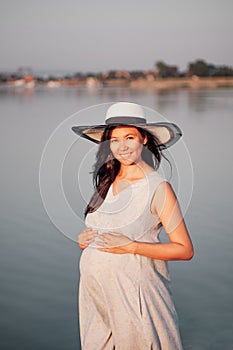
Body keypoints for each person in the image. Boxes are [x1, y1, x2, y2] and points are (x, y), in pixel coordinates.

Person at [72, 102, 194, 350]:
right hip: (95, 293)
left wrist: (132, 246)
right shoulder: (107, 180)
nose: (122, 146)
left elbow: (184, 249)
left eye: (129, 137)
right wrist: (84, 240)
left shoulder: (158, 189)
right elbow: (106, 231)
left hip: (135, 295)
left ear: (144, 140)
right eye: (115, 140)